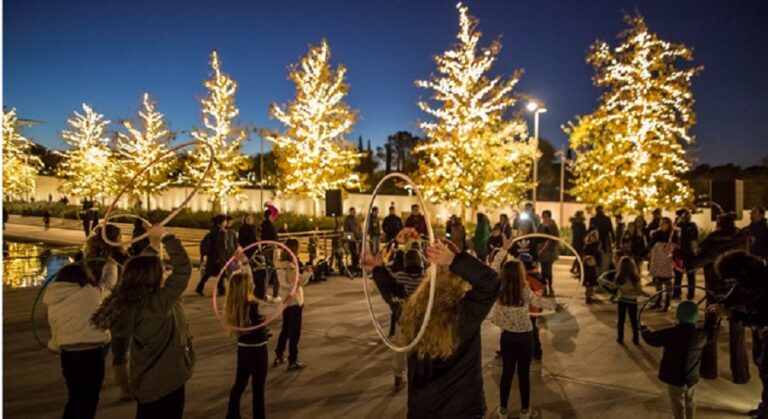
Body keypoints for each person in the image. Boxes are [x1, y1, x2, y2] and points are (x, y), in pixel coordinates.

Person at [92, 225, 194, 419]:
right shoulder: (157, 303)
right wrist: (167, 237)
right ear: (154, 276)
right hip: (167, 379)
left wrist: (153, 247)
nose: (164, 273)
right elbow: (183, 270)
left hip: (145, 379)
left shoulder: (131, 300)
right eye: (161, 271)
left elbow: (139, 267)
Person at [398, 241, 499, 417]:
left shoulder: (414, 313)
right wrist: (453, 259)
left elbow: (394, 298)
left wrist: (377, 269)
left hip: (422, 409)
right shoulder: (464, 316)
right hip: (461, 409)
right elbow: (491, 282)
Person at [490, 248, 559, 419]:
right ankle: (525, 411)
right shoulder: (524, 289)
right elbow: (538, 301)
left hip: (507, 337)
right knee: (523, 374)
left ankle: (503, 410)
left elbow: (492, 268)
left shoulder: (499, 288)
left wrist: (504, 249)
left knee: (506, 373)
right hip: (525, 337)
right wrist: (555, 305)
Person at [688, 212, 751, 383]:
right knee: (738, 336)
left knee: (711, 333)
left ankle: (709, 371)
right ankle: (741, 376)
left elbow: (692, 264)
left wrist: (679, 253)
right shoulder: (742, 240)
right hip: (738, 292)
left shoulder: (711, 244)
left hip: (716, 293)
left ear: (719, 225)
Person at [44, 263, 111, 419]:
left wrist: (55, 345)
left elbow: (55, 326)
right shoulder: (91, 293)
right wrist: (111, 266)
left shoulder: (54, 300)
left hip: (68, 355)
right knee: (89, 400)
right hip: (91, 354)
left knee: (75, 397)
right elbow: (109, 287)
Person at [365, 227, 426, 390]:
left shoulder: (400, 277)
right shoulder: (424, 279)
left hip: (404, 318)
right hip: (420, 319)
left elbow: (386, 275)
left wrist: (392, 245)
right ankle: (417, 375)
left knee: (400, 347)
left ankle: (399, 375)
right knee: (418, 349)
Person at [713, 251, 768, 418]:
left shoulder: (763, 283)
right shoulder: (747, 279)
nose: (734, 282)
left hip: (764, 327)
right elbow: (736, 293)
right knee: (763, 370)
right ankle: (765, 408)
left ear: (741, 272)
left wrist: (732, 315)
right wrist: (722, 302)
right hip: (761, 333)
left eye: (733, 278)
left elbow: (763, 319)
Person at [641, 301, 717, 419]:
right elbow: (711, 330)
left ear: (677, 316)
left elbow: (652, 339)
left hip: (674, 377)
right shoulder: (701, 335)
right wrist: (712, 315)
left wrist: (643, 329)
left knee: (677, 402)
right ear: (696, 317)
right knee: (690, 400)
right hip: (692, 375)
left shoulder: (671, 333)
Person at [84, 225, 131, 400]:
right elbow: (110, 285)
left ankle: (97, 381)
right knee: (120, 351)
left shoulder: (88, 258)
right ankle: (125, 389)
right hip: (116, 309)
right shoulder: (114, 260)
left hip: (98, 309)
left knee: (101, 348)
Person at [224, 271, 269, 419]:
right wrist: (285, 301)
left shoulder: (234, 305)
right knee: (258, 388)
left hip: (243, 350)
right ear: (247, 287)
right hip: (259, 351)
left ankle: (232, 414)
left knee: (239, 384)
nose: (254, 284)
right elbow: (275, 309)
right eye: (251, 283)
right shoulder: (255, 305)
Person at [273, 238, 311, 371]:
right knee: (294, 331)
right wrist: (308, 272)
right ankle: (292, 360)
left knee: (285, 328)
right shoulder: (290, 265)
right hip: (294, 300)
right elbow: (299, 281)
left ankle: (279, 354)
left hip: (285, 299)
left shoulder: (279, 263)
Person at [606, 257, 645, 345]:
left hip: (622, 300)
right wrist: (647, 295)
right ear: (632, 266)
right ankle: (636, 339)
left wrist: (604, 282)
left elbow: (613, 287)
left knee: (621, 320)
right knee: (634, 320)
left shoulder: (619, 277)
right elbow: (639, 291)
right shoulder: (635, 278)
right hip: (632, 300)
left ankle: (620, 338)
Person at [648, 217, 678, 311]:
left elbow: (676, 245)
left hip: (667, 258)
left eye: (664, 223)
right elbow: (651, 245)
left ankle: (667, 302)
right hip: (658, 258)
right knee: (658, 280)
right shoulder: (657, 233)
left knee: (668, 280)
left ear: (669, 224)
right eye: (661, 223)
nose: (662, 225)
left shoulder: (673, 233)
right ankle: (658, 300)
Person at [195, 215, 228, 297]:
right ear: (221, 222)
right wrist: (218, 257)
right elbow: (217, 246)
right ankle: (201, 288)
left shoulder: (218, 231)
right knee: (213, 273)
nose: (226, 222)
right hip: (216, 257)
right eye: (224, 221)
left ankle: (221, 289)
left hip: (217, 256)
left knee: (216, 273)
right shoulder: (217, 232)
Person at [674, 209, 699, 300]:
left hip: (690, 254)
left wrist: (696, 252)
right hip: (679, 253)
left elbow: (695, 240)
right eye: (686, 215)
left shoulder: (692, 226)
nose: (688, 216)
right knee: (678, 274)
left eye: (689, 214)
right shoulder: (677, 226)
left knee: (691, 275)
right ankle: (677, 292)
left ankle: (691, 293)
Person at [537, 210, 559, 296]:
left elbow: (555, 238)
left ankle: (550, 286)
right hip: (542, 252)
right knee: (543, 271)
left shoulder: (553, 226)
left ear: (550, 217)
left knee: (548, 271)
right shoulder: (540, 226)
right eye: (543, 216)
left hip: (550, 252)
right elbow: (537, 237)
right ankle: (544, 288)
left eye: (546, 216)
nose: (545, 218)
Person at [589, 206, 614, 272]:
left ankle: (597, 271)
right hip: (604, 240)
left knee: (597, 256)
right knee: (604, 257)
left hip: (596, 240)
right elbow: (611, 230)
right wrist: (613, 240)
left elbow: (590, 230)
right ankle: (603, 270)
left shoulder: (593, 219)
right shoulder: (607, 219)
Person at [343, 207, 362, 272]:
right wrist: (348, 238)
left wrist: (360, 236)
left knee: (357, 253)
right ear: (350, 212)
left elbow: (359, 228)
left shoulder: (356, 219)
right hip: (351, 239)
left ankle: (356, 264)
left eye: (354, 211)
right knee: (353, 252)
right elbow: (346, 229)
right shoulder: (348, 220)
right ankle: (354, 265)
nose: (354, 212)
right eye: (353, 211)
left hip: (357, 239)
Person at [570, 211, 587, 275]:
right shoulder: (582, 225)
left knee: (578, 256)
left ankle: (576, 269)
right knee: (579, 256)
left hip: (576, 242)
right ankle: (576, 269)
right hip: (580, 242)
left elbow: (573, 233)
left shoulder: (574, 224)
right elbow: (584, 234)